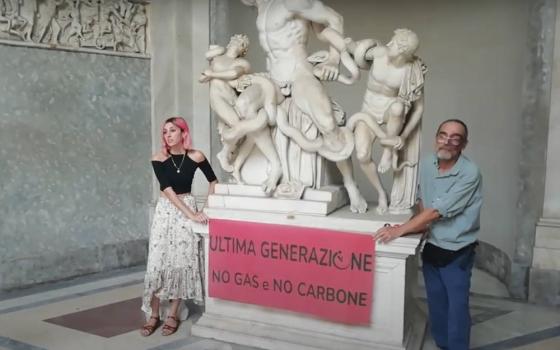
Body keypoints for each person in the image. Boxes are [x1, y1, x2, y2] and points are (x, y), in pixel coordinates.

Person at [374, 119, 482, 350]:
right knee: (436, 301)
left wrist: (400, 230)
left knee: (457, 306)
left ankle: (457, 346)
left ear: (464, 144)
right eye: (443, 135)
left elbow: (437, 211)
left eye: (455, 138)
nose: (448, 141)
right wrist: (418, 228)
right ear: (436, 138)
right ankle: (443, 343)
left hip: (458, 251)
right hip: (432, 245)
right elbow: (423, 201)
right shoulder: (426, 164)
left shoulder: (470, 173)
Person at [140, 117, 218, 337]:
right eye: (165, 132)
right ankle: (154, 315)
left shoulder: (196, 156)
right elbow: (167, 190)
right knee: (158, 263)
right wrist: (192, 213)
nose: (168, 135)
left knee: (182, 262)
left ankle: (173, 314)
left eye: (172, 131)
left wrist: (205, 208)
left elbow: (213, 181)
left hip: (188, 208)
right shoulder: (159, 158)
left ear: (184, 132)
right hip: (167, 211)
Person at [347, 28, 426, 214]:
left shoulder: (411, 71)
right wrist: (347, 43)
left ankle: (388, 150)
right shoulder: (380, 53)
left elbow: (419, 108)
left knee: (399, 107)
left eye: (394, 42)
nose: (388, 44)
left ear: (403, 50)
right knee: (362, 155)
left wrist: (403, 136)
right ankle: (381, 193)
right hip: (368, 111)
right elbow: (356, 50)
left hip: (391, 114)